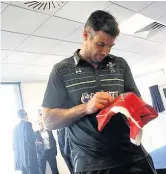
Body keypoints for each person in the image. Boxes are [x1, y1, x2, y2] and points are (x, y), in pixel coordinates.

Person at [42, 10, 157, 174]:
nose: (105, 52)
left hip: (134, 158)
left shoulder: (120, 64)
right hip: (92, 165)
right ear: (85, 35)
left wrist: (129, 104)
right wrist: (86, 107)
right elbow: (49, 121)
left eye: (110, 46)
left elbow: (136, 100)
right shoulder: (61, 71)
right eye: (101, 44)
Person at [13, 109, 39, 174]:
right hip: (30, 158)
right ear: (26, 114)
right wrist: (36, 133)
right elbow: (30, 139)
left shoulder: (15, 128)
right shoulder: (27, 124)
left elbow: (14, 146)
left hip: (21, 161)